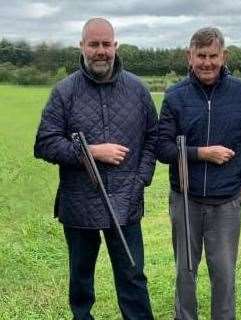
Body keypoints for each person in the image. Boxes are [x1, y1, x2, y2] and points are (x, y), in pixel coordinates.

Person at [34, 18, 157, 320]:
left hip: (126, 202)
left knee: (132, 277)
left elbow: (153, 137)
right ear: (82, 46)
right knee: (81, 280)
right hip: (79, 204)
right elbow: (44, 143)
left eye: (106, 44)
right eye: (94, 44)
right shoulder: (64, 92)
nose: (100, 51)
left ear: (115, 46)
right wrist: (89, 152)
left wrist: (140, 180)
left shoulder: (138, 90)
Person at [157, 27, 241, 320]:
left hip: (227, 201)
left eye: (212, 56)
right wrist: (201, 153)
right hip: (185, 199)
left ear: (223, 56)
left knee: (224, 273)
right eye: (200, 56)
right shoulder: (175, 95)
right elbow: (163, 148)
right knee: (185, 272)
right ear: (189, 57)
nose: (207, 62)